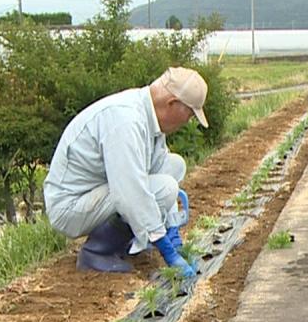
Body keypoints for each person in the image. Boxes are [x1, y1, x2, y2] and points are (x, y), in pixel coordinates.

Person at [43, 67, 209, 277]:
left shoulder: (149, 118)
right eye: (189, 113)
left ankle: (129, 240)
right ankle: (98, 252)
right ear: (172, 103)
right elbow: (131, 193)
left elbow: (157, 166)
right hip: (70, 207)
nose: (188, 121)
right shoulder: (126, 122)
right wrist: (167, 251)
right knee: (163, 188)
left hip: (96, 192)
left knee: (174, 165)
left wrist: (174, 236)